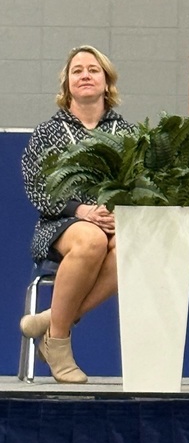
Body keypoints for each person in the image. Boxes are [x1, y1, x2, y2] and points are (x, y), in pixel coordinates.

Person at [20, 46, 134, 384]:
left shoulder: (127, 133)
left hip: (113, 224)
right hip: (60, 223)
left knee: (132, 248)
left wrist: (118, 212)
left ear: (106, 81)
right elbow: (37, 188)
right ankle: (59, 342)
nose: (85, 75)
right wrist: (81, 210)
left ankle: (54, 321)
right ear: (67, 83)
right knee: (91, 239)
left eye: (93, 70)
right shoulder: (47, 133)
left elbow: (140, 183)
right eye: (77, 70)